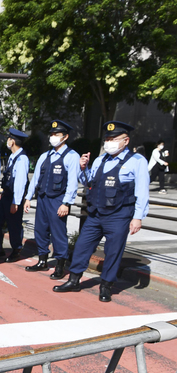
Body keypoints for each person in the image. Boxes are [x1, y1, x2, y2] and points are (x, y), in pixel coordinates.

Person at [53, 121, 149, 302]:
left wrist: (138, 217)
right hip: (95, 214)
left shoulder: (137, 162)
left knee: (113, 252)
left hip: (119, 215)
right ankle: (74, 280)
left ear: (125, 140)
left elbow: (142, 191)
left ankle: (106, 286)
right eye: (107, 138)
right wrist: (83, 168)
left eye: (113, 139)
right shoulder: (100, 160)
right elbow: (89, 182)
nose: (109, 142)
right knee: (82, 246)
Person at [23, 120, 79, 280]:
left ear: (65, 137)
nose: (53, 137)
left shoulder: (71, 156)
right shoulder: (45, 156)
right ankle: (42, 260)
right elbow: (35, 179)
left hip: (58, 199)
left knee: (58, 233)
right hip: (42, 199)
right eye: (52, 134)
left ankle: (60, 264)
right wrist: (28, 197)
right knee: (40, 230)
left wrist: (66, 203)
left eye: (57, 134)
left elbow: (73, 183)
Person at [0, 128, 30, 262]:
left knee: (14, 226)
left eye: (9, 139)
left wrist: (16, 202)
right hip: (6, 196)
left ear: (12, 141)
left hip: (13, 198)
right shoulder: (12, 157)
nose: (7, 141)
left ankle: (16, 250)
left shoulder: (22, 159)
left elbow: (20, 183)